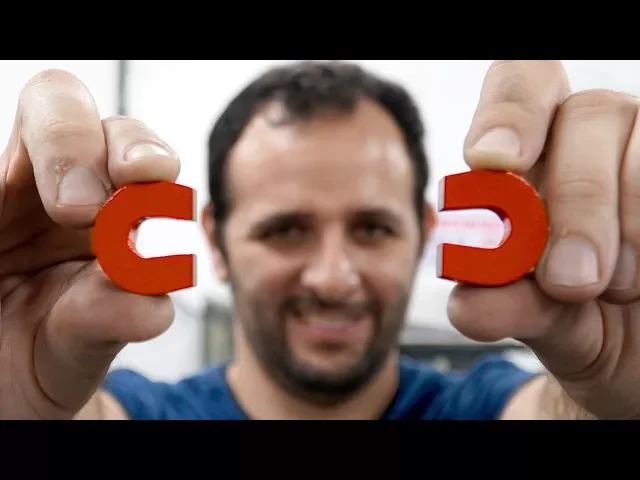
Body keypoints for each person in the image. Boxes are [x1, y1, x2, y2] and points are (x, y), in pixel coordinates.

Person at [1, 60, 638, 420]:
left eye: (372, 228)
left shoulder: (486, 408)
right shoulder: (134, 412)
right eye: (286, 230)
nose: (334, 277)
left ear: (422, 233)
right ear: (216, 242)